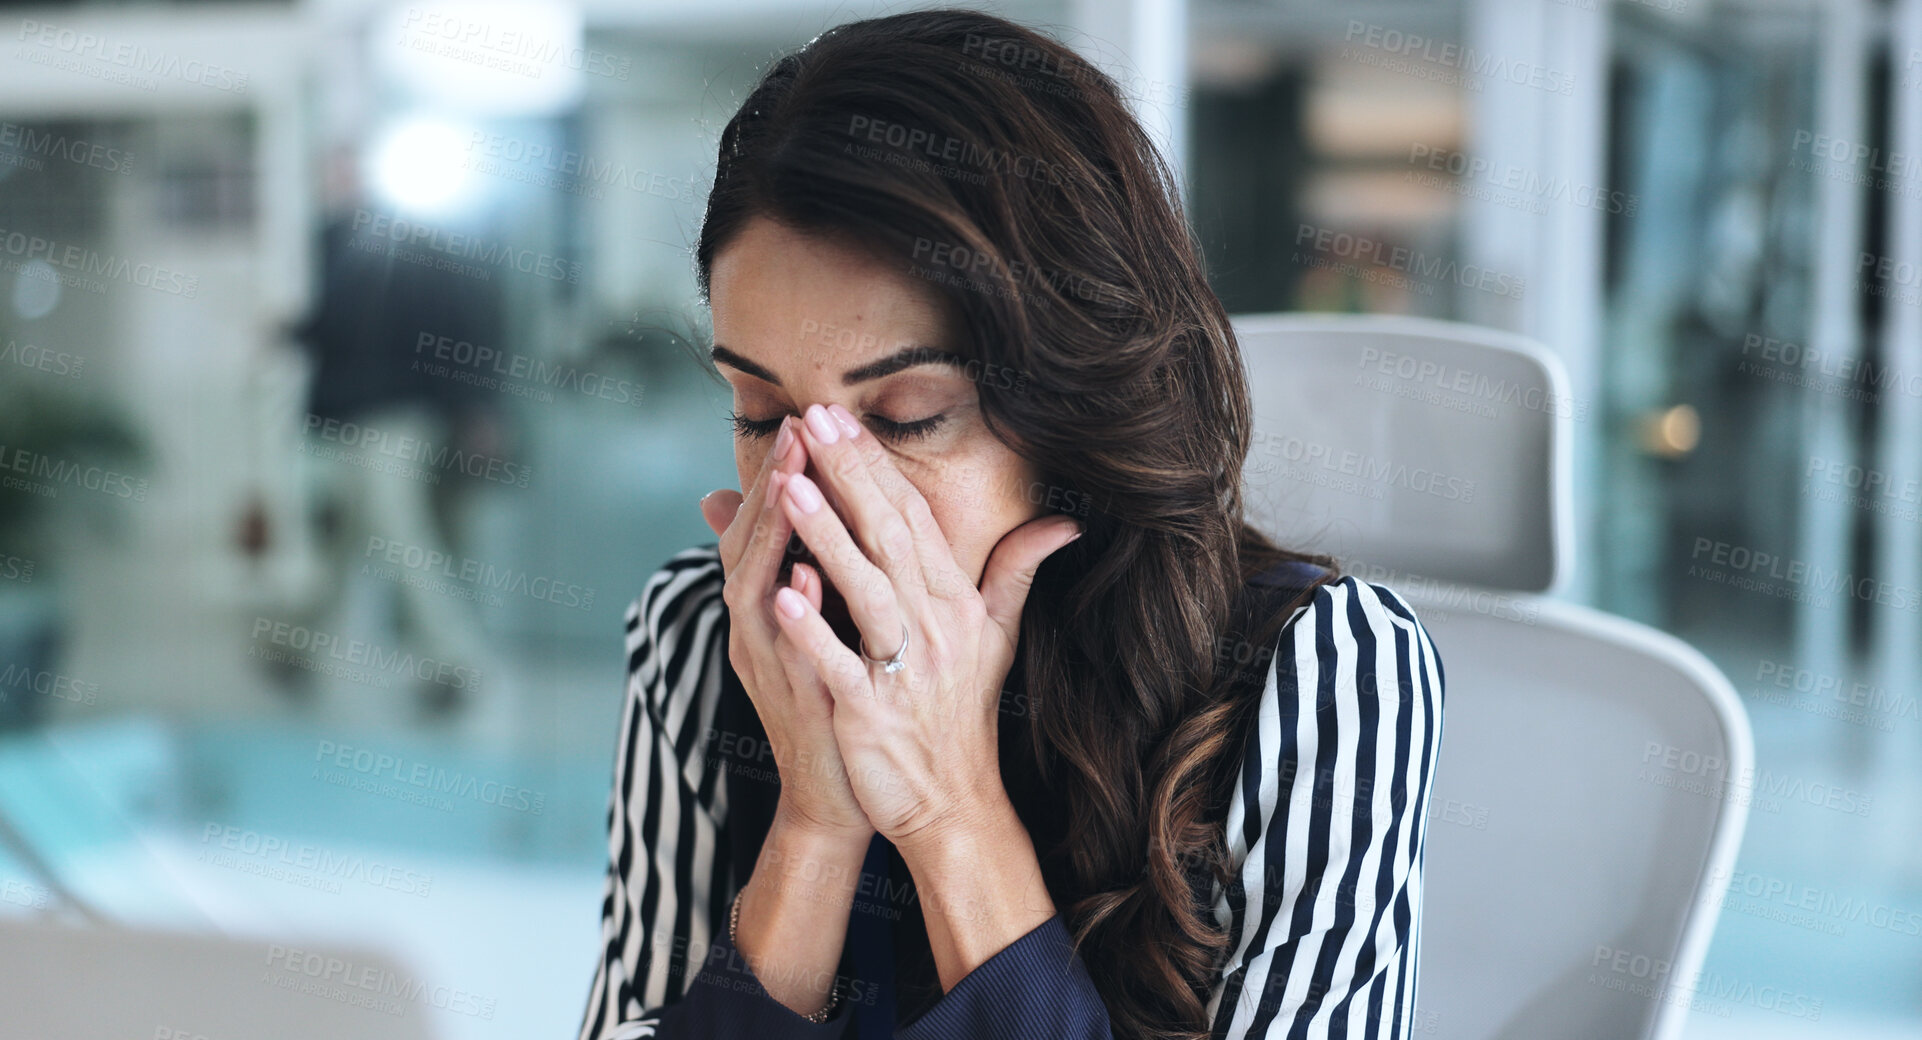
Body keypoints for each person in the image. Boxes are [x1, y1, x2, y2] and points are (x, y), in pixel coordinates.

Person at [577, 9, 1444, 1040]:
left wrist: (950, 813)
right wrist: (813, 822)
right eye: (758, 413)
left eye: (904, 417)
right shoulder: (699, 635)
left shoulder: (1317, 673)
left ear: (1071, 406)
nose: (813, 491)